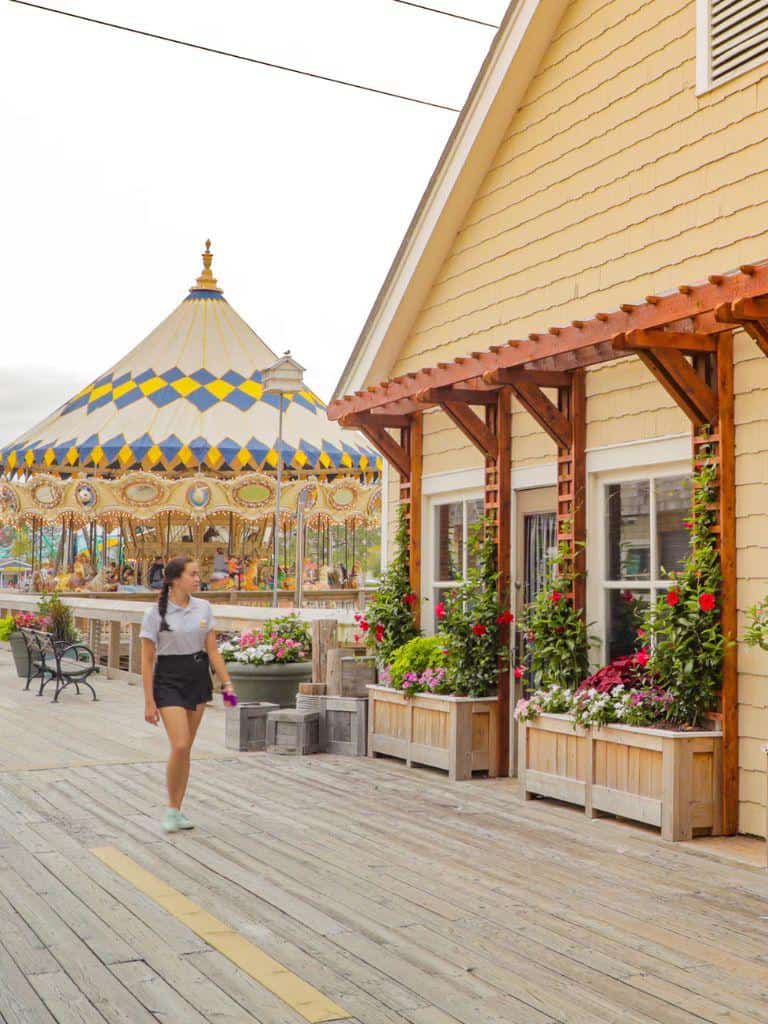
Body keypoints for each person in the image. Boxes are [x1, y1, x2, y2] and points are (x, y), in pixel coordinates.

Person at [140, 556, 235, 833]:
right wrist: (149, 702)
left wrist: (227, 685)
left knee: (185, 749)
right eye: (192, 574)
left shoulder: (203, 607)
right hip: (168, 678)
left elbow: (212, 650)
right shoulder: (155, 614)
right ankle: (171, 810)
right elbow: (146, 660)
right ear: (174, 579)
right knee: (180, 744)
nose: (197, 579)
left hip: (197, 676)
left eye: (198, 574)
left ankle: (177, 808)